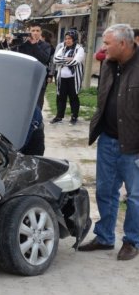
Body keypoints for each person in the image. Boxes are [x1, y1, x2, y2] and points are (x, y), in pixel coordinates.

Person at [78, 24, 139, 261]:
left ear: (123, 44)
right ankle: (104, 237)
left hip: (133, 145)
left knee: (134, 196)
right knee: (105, 190)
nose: (103, 47)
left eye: (107, 43)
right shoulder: (109, 65)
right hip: (108, 140)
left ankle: (132, 241)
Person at [50, 30, 85, 125]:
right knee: (61, 97)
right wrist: (68, 59)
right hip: (62, 78)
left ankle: (74, 116)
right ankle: (59, 116)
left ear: (74, 39)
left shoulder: (79, 49)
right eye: (66, 39)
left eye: (69, 38)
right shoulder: (63, 49)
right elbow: (55, 60)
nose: (67, 41)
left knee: (73, 97)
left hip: (73, 78)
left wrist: (65, 60)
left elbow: (75, 62)